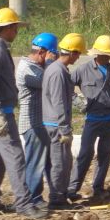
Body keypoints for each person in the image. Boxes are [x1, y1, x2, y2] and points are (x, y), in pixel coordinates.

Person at [0, 7, 49, 219]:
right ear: (7, 28)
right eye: (15, 27)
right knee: (16, 157)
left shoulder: (0, 49)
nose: (17, 31)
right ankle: (24, 204)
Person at [68, 34, 110, 200]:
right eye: (105, 54)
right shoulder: (83, 70)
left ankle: (98, 187)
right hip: (92, 120)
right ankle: (72, 189)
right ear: (96, 54)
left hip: (109, 119)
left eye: (109, 55)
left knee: (104, 155)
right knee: (85, 154)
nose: (107, 57)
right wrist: (76, 101)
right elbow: (67, 86)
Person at [42, 32, 87, 209]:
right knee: (60, 162)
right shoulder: (58, 71)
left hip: (54, 123)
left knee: (64, 161)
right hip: (56, 126)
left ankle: (60, 195)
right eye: (78, 54)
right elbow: (59, 102)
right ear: (72, 52)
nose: (78, 57)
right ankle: (57, 199)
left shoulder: (57, 69)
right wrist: (64, 128)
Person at [15, 31, 58, 208]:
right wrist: (50, 63)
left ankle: (40, 196)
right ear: (42, 52)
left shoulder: (34, 66)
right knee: (35, 162)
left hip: (40, 123)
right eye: (51, 55)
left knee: (45, 161)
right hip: (32, 124)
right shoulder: (28, 69)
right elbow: (48, 82)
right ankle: (32, 198)